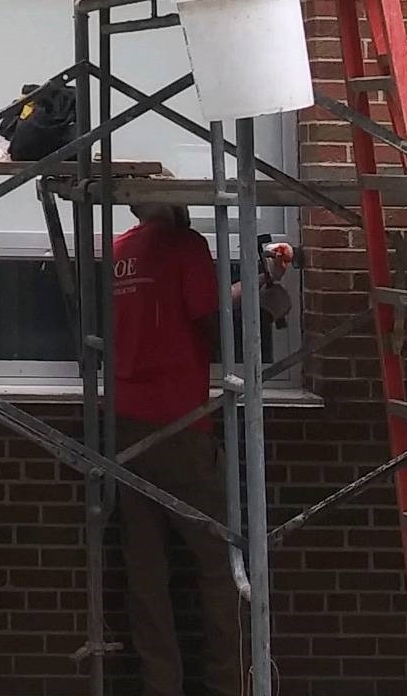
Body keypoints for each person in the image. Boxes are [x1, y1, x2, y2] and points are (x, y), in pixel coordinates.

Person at [111, 202, 289, 696]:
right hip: (179, 425)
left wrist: (251, 283)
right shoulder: (186, 246)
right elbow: (212, 329)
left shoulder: (117, 250)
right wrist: (263, 306)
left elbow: (178, 306)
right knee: (219, 564)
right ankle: (230, 684)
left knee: (145, 570)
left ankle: (159, 685)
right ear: (174, 206)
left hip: (122, 426)